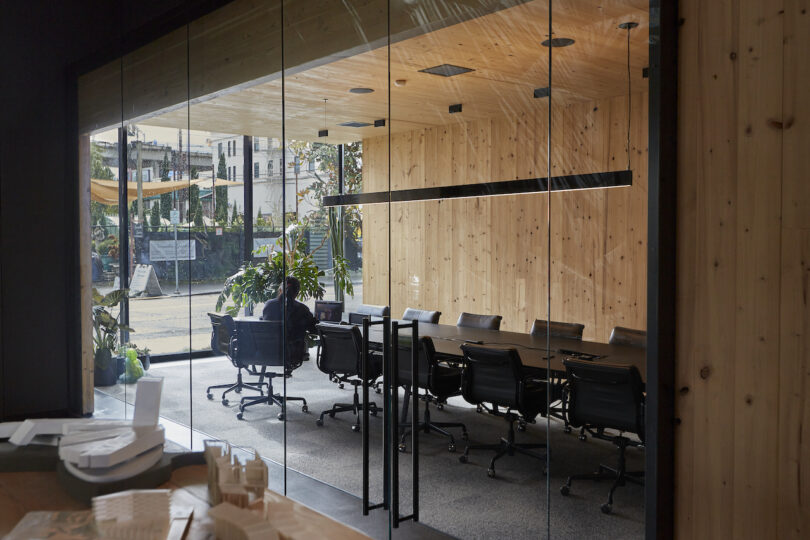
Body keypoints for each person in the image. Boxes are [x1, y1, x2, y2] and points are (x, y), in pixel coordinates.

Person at [261, 276, 317, 365]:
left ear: (280, 290)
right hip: (292, 355)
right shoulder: (302, 309)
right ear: (297, 292)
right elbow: (314, 329)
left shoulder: (269, 305)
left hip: (269, 352)